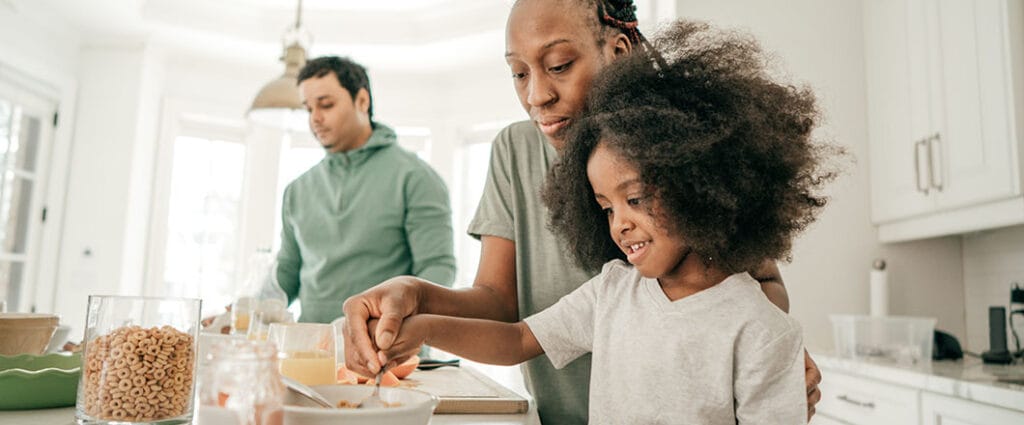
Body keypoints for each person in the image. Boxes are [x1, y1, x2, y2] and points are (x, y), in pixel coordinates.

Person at [342, 1, 822, 423]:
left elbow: (754, 291)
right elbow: (507, 318)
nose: (536, 96)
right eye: (519, 72)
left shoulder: (682, 153)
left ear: (617, 52)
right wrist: (415, 298)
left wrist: (760, 364)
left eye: (559, 64)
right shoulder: (607, 276)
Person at [275, 56, 457, 323]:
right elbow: (287, 273)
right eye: (308, 108)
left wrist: (392, 321)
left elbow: (438, 269)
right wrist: (243, 311)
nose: (315, 118)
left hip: (389, 350)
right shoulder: (297, 190)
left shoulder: (415, 178)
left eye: (326, 105)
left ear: (362, 101)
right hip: (311, 352)